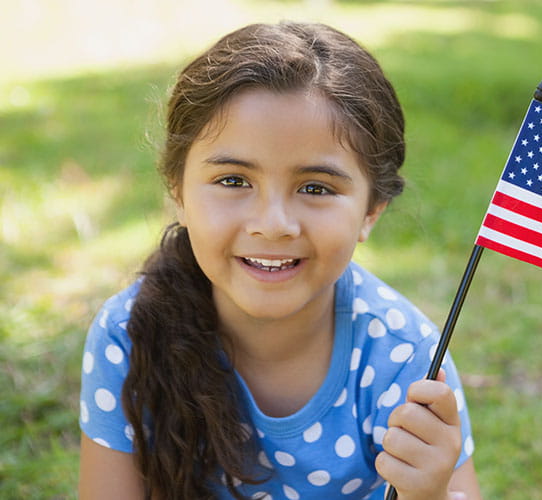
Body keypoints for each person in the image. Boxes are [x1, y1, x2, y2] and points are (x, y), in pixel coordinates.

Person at [78, 21, 481, 500]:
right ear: (178, 192)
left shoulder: (406, 359)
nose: (273, 224)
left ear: (371, 212)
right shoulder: (129, 335)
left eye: (316, 188)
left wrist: (430, 494)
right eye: (233, 180)